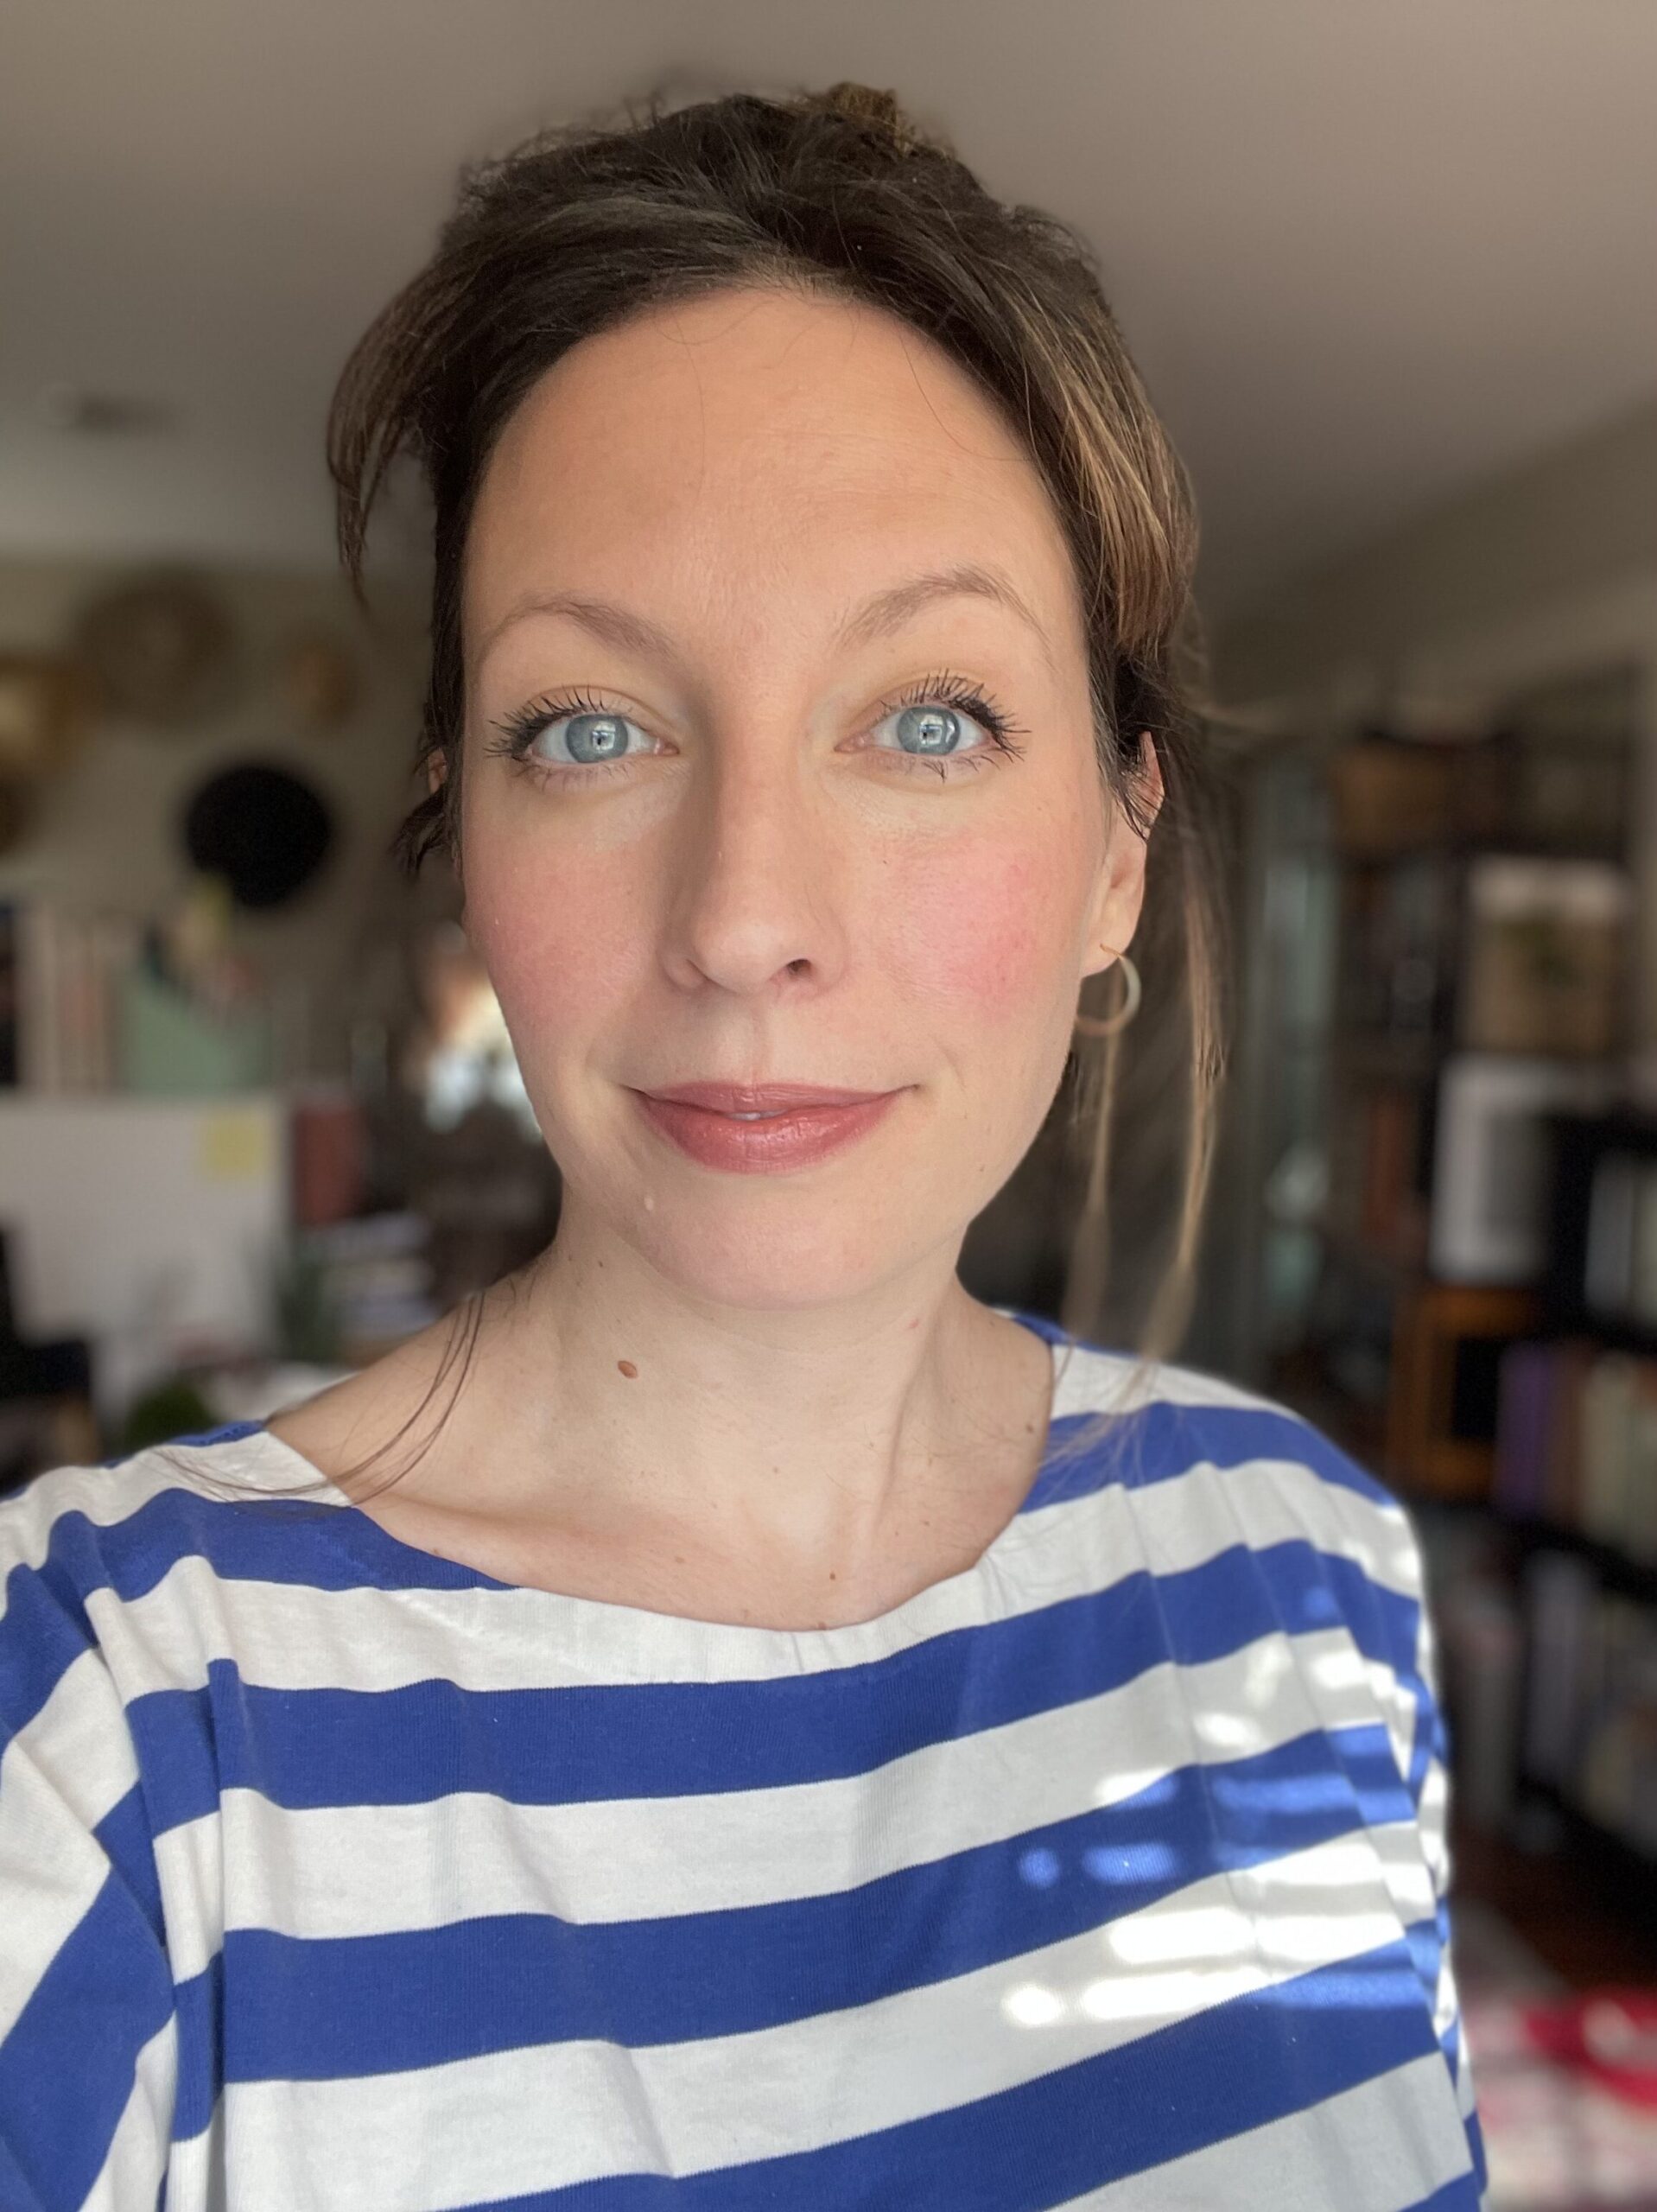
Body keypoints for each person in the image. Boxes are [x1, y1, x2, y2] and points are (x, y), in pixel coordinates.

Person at [0, 81, 1487, 2211]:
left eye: (928, 715)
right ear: (464, 834)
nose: (741, 919)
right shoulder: (115, 1720)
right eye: (590, 728)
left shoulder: (1311, 1576)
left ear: (1115, 859)